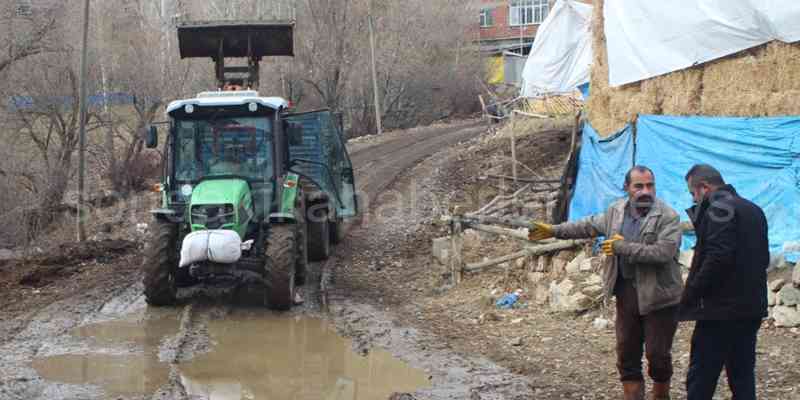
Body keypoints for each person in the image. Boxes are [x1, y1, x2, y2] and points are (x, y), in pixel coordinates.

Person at [529, 165, 683, 400]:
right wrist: (554, 230)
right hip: (626, 295)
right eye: (638, 186)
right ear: (627, 188)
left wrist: (622, 247)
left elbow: (663, 253)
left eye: (650, 185)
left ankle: (661, 395)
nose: (645, 191)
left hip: (659, 297)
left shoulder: (668, 216)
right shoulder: (616, 211)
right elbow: (587, 225)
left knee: (658, 355)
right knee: (626, 353)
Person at [679, 164, 768, 400]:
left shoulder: (718, 208)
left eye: (692, 193)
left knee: (701, 378)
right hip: (751, 309)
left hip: (719, 311)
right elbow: (763, 258)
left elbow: (718, 257)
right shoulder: (754, 210)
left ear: (703, 187)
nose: (693, 199)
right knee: (742, 376)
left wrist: (691, 295)